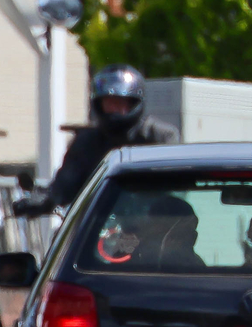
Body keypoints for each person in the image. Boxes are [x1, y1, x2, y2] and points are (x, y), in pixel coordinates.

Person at [17, 65, 179, 215]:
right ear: (98, 104)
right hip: (100, 221)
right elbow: (66, 182)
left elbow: (171, 184)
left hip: (151, 220)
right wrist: (47, 199)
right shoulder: (86, 141)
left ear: (133, 103)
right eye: (109, 102)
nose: (114, 108)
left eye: (120, 102)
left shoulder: (159, 136)